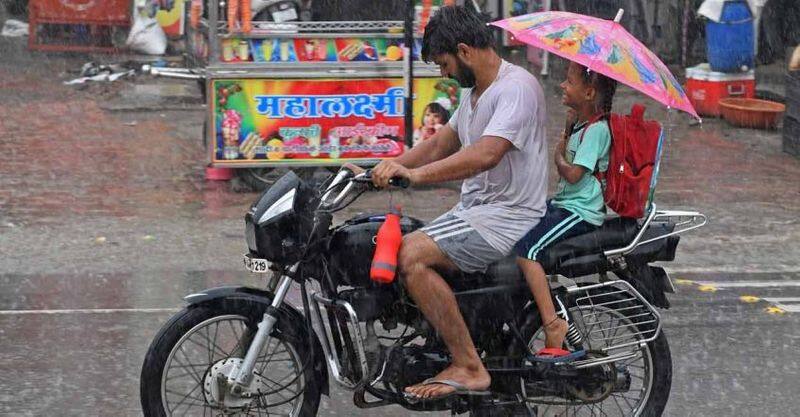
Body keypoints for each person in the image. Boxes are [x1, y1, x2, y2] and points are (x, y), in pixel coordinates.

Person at [370, 5, 548, 400]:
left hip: (508, 218)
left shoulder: (516, 88)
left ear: (465, 51)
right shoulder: (475, 93)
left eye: (444, 63)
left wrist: (414, 176)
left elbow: (485, 154)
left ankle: (468, 365)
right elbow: (439, 144)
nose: (443, 73)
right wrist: (383, 167)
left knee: (411, 256)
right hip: (477, 212)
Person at [514, 61, 617, 360]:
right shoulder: (582, 125)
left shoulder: (597, 130)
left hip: (580, 211)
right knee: (518, 220)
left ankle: (552, 322)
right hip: (566, 203)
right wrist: (569, 130)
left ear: (588, 92)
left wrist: (559, 156)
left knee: (527, 250)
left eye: (569, 82)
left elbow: (573, 175)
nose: (562, 86)